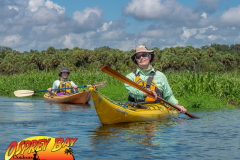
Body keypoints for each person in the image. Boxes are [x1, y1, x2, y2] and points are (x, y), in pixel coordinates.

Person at [124, 45, 187, 113]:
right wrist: (146, 93)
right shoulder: (130, 77)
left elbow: (168, 96)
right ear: (136, 59)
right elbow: (131, 91)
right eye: (138, 56)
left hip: (157, 110)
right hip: (137, 109)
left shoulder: (161, 76)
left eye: (144, 55)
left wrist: (177, 106)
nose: (141, 58)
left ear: (149, 56)